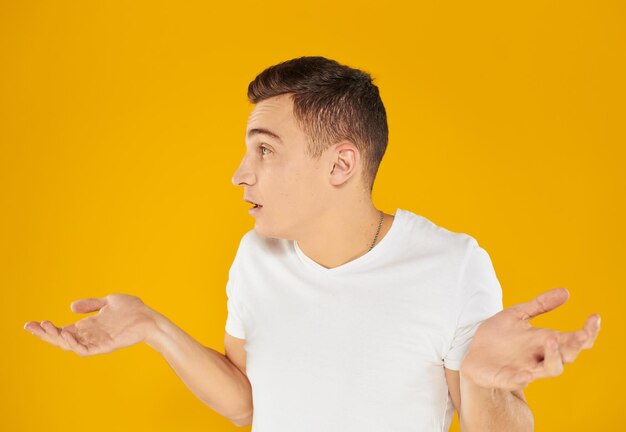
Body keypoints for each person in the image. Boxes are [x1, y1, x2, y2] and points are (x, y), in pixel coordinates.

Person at [24, 56, 600, 431]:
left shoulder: (452, 265)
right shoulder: (256, 256)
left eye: (265, 149)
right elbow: (248, 403)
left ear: (341, 164)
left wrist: (480, 378)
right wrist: (153, 327)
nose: (240, 173)